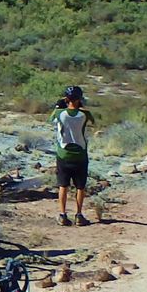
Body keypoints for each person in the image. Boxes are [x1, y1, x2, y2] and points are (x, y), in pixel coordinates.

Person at [51, 84, 95, 226]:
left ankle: (63, 215)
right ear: (79, 99)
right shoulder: (85, 115)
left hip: (64, 154)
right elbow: (92, 120)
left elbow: (52, 118)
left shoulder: (59, 114)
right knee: (80, 187)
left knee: (63, 186)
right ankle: (79, 215)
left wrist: (59, 106)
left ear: (66, 98)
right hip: (80, 155)